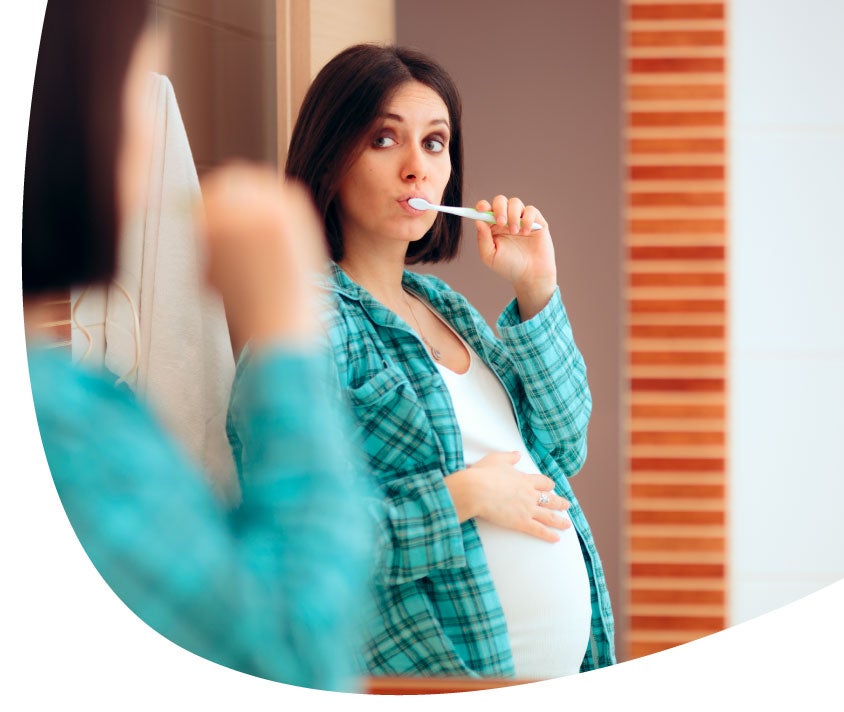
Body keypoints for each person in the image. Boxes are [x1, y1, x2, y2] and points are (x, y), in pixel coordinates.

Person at [23, 1, 372, 691]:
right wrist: (278, 327)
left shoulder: (457, 314)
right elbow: (291, 662)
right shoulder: (57, 425)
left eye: (438, 141)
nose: (152, 142)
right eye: (137, 86)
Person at [280, 43, 616, 680]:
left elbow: (565, 444)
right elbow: (304, 544)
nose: (417, 168)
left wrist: (536, 288)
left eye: (435, 143)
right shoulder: (308, 323)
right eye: (385, 139)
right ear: (329, 160)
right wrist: (464, 495)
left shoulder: (446, 307)